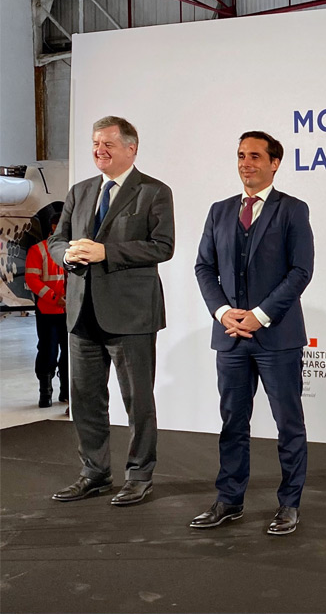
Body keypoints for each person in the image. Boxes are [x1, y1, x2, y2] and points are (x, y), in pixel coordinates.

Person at [47, 116, 175, 506]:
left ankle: (139, 475)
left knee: (138, 400)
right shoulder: (79, 191)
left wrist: (107, 253)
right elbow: (56, 239)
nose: (99, 150)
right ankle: (94, 473)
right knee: (85, 399)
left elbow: (162, 246)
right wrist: (66, 255)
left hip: (131, 315)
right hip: (81, 313)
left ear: (131, 148)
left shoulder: (154, 191)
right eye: (95, 144)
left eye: (108, 144)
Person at [192, 131, 313, 536]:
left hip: (276, 337)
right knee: (232, 423)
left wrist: (260, 315)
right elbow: (204, 268)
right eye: (241, 155)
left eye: (256, 156)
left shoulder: (293, 210)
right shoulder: (220, 211)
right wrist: (224, 312)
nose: (246, 163)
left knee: (288, 425)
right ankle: (229, 500)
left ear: (274, 163)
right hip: (230, 337)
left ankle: (289, 504)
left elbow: (300, 271)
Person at [24, 213, 68, 408]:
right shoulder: (38, 250)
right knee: (48, 351)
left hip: (69, 311)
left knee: (69, 353)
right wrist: (53, 298)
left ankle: (66, 392)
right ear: (52, 226)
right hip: (48, 311)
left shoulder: (72, 249)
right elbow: (32, 280)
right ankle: (45, 392)